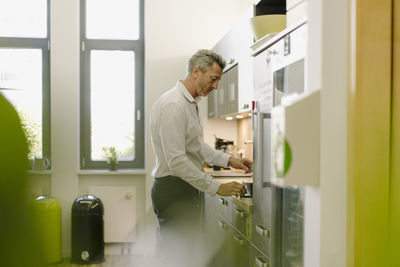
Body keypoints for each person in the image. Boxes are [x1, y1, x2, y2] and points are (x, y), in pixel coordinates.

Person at [149, 49, 252, 266]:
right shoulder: (174, 105)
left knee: (186, 254)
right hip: (173, 190)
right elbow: (177, 161)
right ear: (196, 71)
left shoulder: (189, 103)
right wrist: (216, 187)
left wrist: (230, 160)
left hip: (183, 188)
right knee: (176, 258)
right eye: (213, 79)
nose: (215, 86)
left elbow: (197, 147)